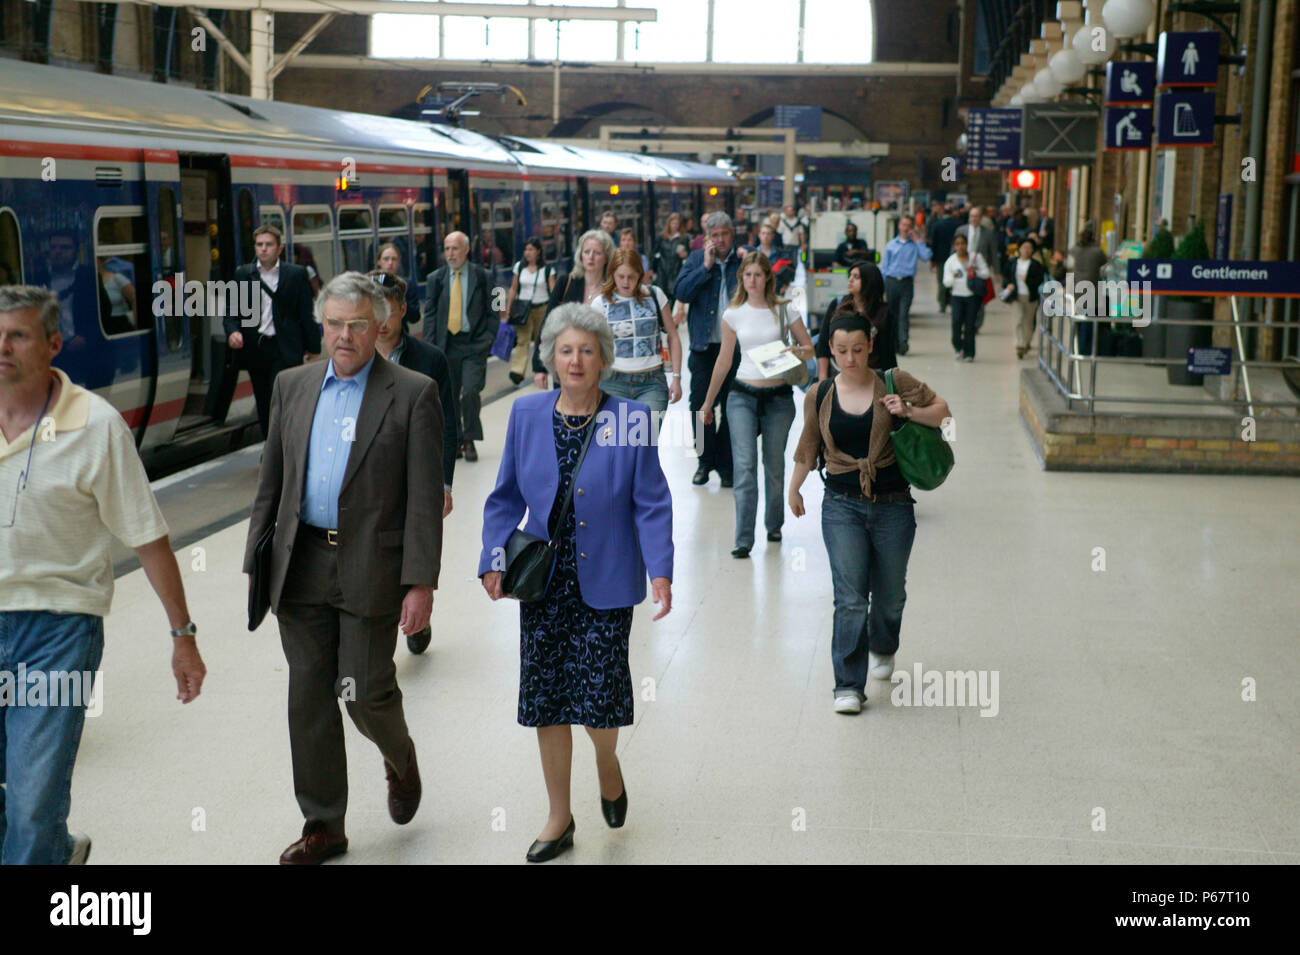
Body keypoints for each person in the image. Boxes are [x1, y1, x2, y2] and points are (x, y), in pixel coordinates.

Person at [0, 285, 206, 864]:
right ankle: (53, 852)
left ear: (54, 344)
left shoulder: (96, 426)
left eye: (17, 335)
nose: (3, 348)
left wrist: (182, 637)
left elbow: (148, 537)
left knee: (34, 800)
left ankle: (41, 847)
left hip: (58, 633)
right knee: (16, 809)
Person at [245, 272, 443, 865]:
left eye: (358, 324)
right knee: (308, 697)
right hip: (301, 562)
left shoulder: (412, 393)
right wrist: (258, 557)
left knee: (362, 692)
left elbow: (424, 500)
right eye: (334, 324)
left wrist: (420, 583)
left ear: (379, 324)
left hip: (370, 566)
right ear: (321, 325)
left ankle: (400, 759)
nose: (345, 336)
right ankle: (324, 824)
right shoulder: (292, 385)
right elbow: (272, 481)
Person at [479, 302, 673, 863]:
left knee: (599, 700)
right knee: (548, 700)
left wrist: (660, 569)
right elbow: (504, 498)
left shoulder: (629, 420)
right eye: (566, 350)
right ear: (552, 358)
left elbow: (652, 501)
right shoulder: (526, 415)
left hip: (607, 577)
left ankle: (607, 765)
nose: (576, 360)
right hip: (543, 580)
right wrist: (493, 557)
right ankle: (559, 817)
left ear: (604, 358)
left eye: (587, 350)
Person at [789, 314, 950, 714]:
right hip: (841, 505)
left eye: (858, 349)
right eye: (841, 350)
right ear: (831, 349)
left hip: (894, 504)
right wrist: (792, 488)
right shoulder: (820, 393)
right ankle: (847, 685)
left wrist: (908, 411)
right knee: (850, 598)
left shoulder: (894, 381)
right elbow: (808, 445)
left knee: (891, 596)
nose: (850, 358)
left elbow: (944, 413)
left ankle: (883, 644)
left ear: (870, 347)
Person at [699, 251, 814, 558]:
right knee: (745, 467)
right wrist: (708, 402)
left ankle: (774, 525)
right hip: (742, 396)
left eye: (758, 275)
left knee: (774, 467)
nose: (752, 280)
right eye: (747, 275)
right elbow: (725, 360)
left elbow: (809, 349)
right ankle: (743, 539)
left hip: (778, 399)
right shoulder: (733, 313)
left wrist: (794, 351)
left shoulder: (784, 309)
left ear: (767, 278)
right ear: (742, 279)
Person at [225, 225, 320, 441]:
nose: (263, 249)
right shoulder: (243, 274)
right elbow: (231, 312)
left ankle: (286, 445)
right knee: (264, 400)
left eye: (268, 245)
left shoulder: (296, 274)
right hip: (256, 348)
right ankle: (271, 449)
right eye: (259, 245)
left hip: (284, 348)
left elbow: (306, 313)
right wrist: (233, 332)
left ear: (279, 249)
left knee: (282, 398)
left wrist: (314, 347)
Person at [673, 210, 745, 488]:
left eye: (725, 234)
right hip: (704, 348)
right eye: (714, 235)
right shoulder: (696, 260)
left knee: (731, 407)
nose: (720, 240)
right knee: (699, 407)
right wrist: (704, 267)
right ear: (707, 238)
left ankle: (726, 467)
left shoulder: (742, 260)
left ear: (732, 234)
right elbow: (681, 293)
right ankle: (705, 462)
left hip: (736, 349)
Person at [422, 231, 497, 462]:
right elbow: (431, 315)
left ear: (466, 250)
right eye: (447, 249)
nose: (450, 254)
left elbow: (497, 307)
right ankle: (453, 441)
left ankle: (469, 438)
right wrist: (430, 347)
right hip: (447, 346)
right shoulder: (435, 279)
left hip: (474, 345)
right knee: (449, 397)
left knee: (470, 392)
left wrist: (488, 339)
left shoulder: (484, 276)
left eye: (455, 249)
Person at [590, 248, 682, 422]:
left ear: (640, 274)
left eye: (631, 277)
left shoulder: (655, 295)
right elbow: (592, 346)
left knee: (647, 441)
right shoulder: (600, 303)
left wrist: (676, 378)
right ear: (612, 275)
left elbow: (673, 336)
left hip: (652, 382)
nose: (626, 282)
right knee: (619, 444)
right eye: (620, 276)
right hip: (612, 381)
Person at [532, 229, 614, 390]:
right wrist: (539, 368)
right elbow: (547, 325)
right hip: (567, 365)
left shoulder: (613, 289)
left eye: (597, 253)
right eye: (586, 252)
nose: (590, 257)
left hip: (601, 366)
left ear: (606, 257)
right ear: (580, 255)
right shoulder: (566, 283)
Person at [816, 261, 894, 379]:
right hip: (839, 374)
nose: (850, 280)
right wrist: (822, 378)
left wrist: (889, 383)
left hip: (872, 376)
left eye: (856, 277)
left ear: (869, 281)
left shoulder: (883, 312)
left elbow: (887, 353)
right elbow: (823, 344)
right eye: (850, 276)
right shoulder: (838, 305)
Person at [504, 238, 555, 386]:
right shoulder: (519, 267)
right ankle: (517, 371)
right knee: (522, 340)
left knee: (541, 341)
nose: (527, 253)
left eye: (531, 249)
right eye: (526, 249)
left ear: (538, 252)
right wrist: (508, 308)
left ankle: (540, 369)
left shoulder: (547, 270)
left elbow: (553, 291)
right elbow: (513, 288)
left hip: (542, 308)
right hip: (523, 310)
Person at [879, 215, 932, 357]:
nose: (906, 228)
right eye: (904, 225)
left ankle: (903, 342)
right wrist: (882, 287)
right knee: (892, 314)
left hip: (906, 283)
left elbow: (927, 256)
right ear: (899, 226)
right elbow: (885, 267)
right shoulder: (891, 245)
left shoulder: (915, 245)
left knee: (903, 314)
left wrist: (918, 241)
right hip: (892, 281)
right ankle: (893, 343)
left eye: (909, 225)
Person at [942, 232, 990, 362]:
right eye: (957, 244)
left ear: (967, 244)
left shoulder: (976, 257)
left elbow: (986, 273)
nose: (961, 246)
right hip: (957, 296)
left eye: (963, 243)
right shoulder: (951, 261)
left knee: (970, 326)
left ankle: (969, 352)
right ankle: (958, 347)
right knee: (956, 324)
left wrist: (976, 271)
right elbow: (946, 282)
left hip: (972, 297)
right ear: (954, 246)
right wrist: (953, 276)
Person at [953, 207, 1001, 333]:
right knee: (964, 296)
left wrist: (997, 271)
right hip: (963, 268)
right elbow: (954, 249)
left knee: (979, 297)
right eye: (972, 216)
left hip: (980, 270)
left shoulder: (988, 233)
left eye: (977, 216)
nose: (974, 219)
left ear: (981, 218)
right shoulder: (961, 230)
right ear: (969, 217)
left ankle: (976, 324)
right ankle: (965, 322)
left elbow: (993, 253)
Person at [1002, 235, 1048, 360]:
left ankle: (1027, 341)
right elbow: (1006, 276)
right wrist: (1008, 285)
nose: (1026, 250)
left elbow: (1039, 280)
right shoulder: (1012, 263)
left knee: (1028, 322)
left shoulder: (1036, 265)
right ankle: (1019, 344)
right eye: (1024, 247)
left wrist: (1026, 279)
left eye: (1029, 248)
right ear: (1019, 249)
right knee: (1017, 319)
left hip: (1030, 296)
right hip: (1016, 295)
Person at [1066, 227, 1108, 356]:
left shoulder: (1076, 250)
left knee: (1078, 318)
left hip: (1077, 287)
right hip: (1091, 289)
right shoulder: (1097, 252)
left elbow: (1071, 249)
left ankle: (1076, 347)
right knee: (1089, 320)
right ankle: (1085, 349)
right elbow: (1105, 261)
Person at [375, 242, 421, 325]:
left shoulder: (407, 284)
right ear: (378, 261)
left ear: (399, 261)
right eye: (386, 259)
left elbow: (415, 317)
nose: (390, 263)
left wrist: (401, 298)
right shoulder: (371, 284)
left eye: (394, 259)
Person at [653, 213, 690, 308]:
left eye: (677, 223)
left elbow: (689, 255)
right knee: (661, 297)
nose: (674, 226)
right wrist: (653, 269)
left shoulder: (683, 238)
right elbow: (654, 253)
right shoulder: (661, 237)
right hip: (663, 270)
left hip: (676, 270)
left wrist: (685, 255)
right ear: (669, 224)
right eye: (673, 223)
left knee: (674, 295)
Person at [928, 205, 959, 314]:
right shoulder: (957, 225)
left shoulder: (937, 225)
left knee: (941, 281)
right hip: (955, 257)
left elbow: (934, 243)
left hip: (940, 257)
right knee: (954, 280)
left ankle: (942, 304)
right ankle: (952, 302)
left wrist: (932, 259)